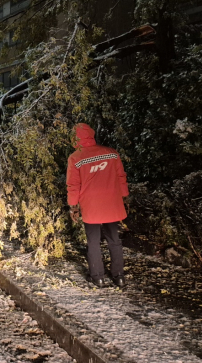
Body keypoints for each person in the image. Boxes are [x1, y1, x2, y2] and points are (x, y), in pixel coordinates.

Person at [66, 123, 129, 288]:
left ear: (75, 138)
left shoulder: (76, 158)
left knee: (93, 241)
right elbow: (121, 176)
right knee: (114, 239)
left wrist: (73, 206)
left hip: (91, 205)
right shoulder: (111, 153)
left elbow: (73, 185)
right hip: (111, 203)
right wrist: (124, 197)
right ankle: (119, 276)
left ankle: (98, 277)